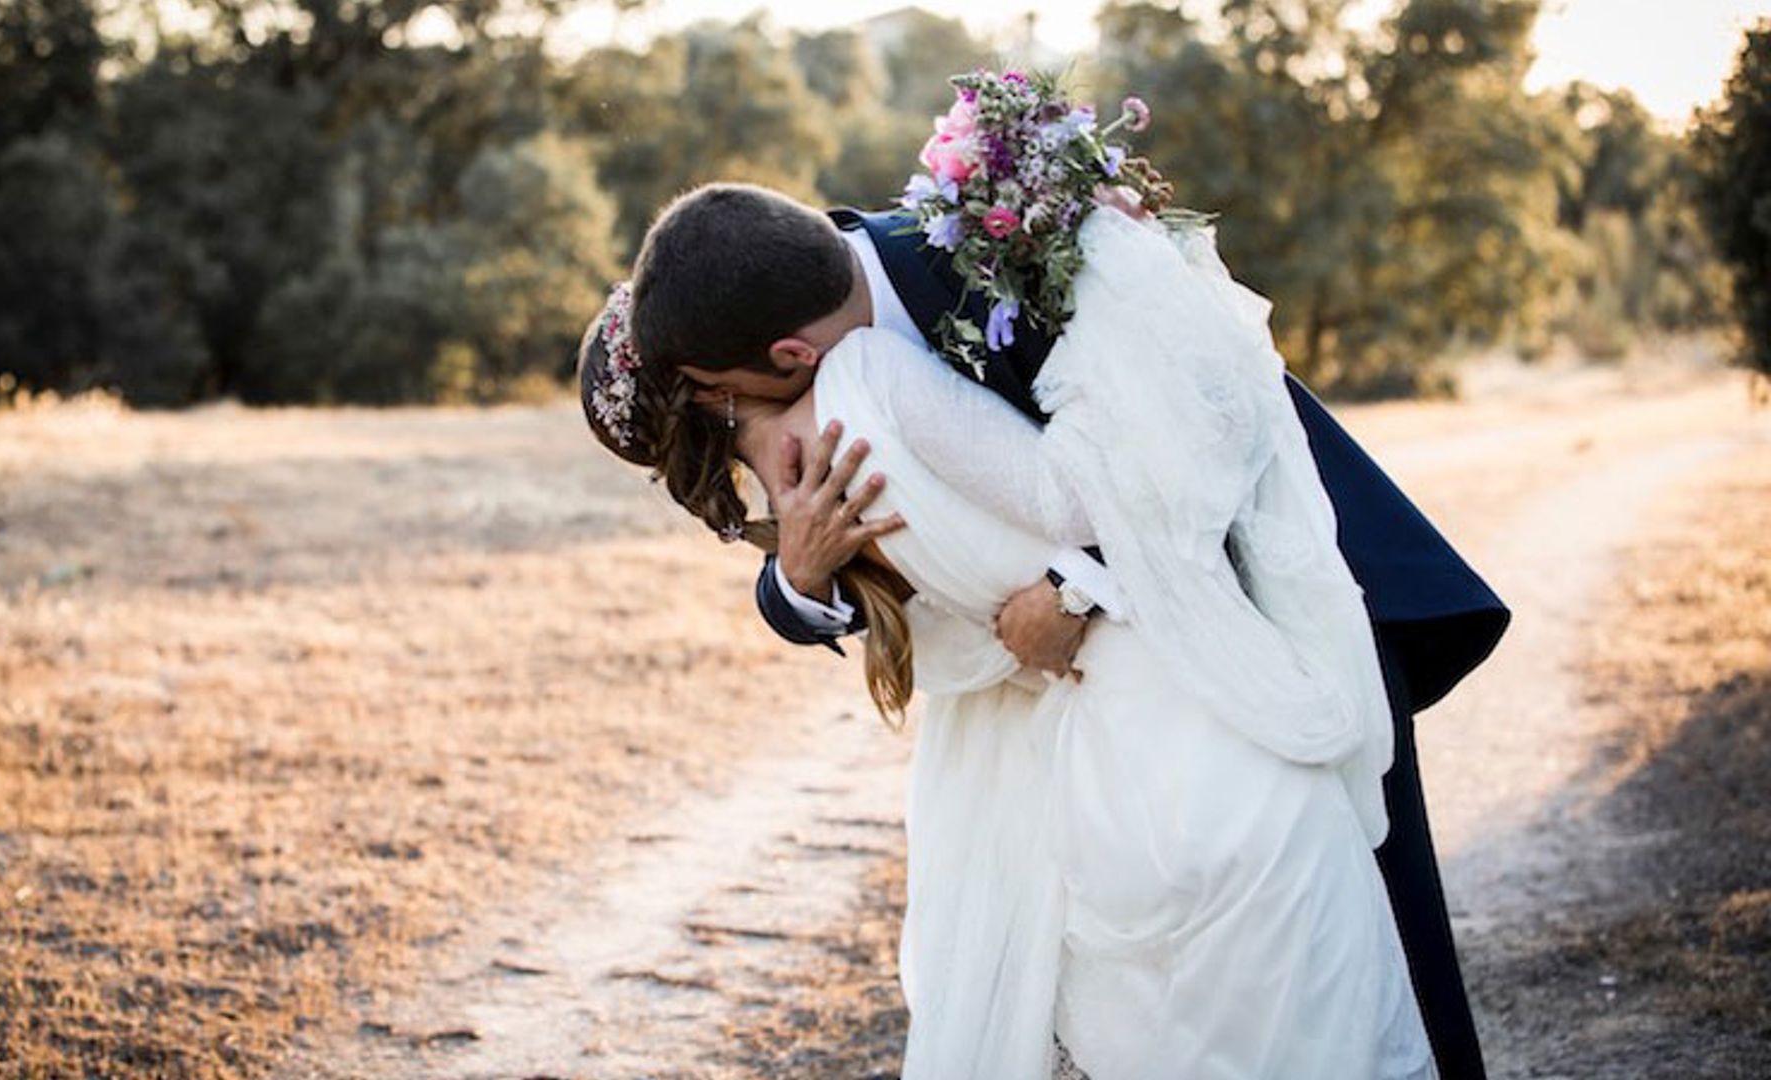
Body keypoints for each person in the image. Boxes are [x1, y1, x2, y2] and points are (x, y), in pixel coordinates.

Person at [592, 182, 1510, 1077]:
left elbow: (1195, 440)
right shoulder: (791, 353)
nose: (729, 417)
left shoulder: (1003, 253)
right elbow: (830, 560)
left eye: (723, 398)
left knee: (1360, 932)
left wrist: (1071, 589)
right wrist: (798, 574)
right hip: (1098, 703)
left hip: (1276, 590)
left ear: (790, 355)